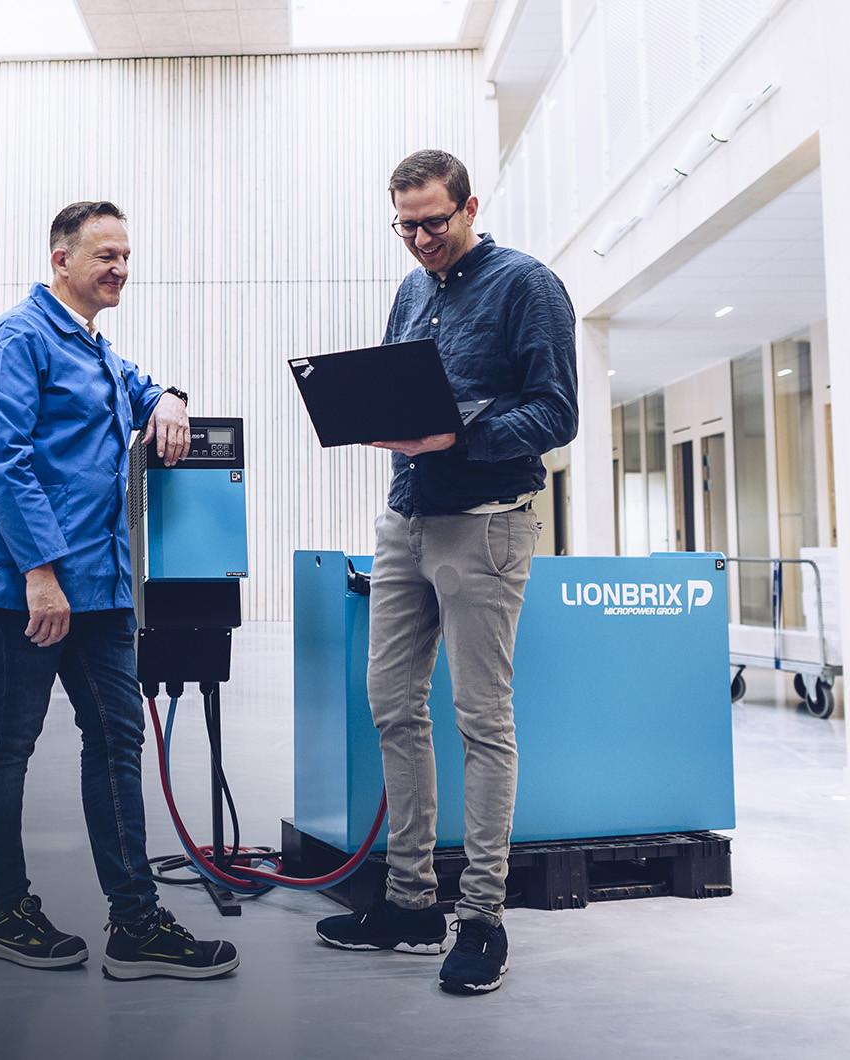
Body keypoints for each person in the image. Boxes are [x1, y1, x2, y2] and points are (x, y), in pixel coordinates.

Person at [314, 150, 578, 995]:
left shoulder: (527, 285)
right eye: (405, 225)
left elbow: (556, 411)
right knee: (392, 704)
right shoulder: (411, 290)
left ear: (470, 205)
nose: (420, 238)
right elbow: (405, 390)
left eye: (433, 221)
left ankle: (483, 920)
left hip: (486, 524)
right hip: (407, 516)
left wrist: (458, 436)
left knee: (481, 720)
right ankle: (411, 902)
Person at [0, 200, 239, 982]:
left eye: (126, 255)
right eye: (104, 255)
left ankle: (135, 923)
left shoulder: (95, 349)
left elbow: (141, 390)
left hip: (104, 587)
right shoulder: (17, 341)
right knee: (8, 744)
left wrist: (171, 399)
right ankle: (3, 911)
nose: (120, 267)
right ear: (61, 260)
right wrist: (40, 572)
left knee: (117, 741)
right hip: (30, 589)